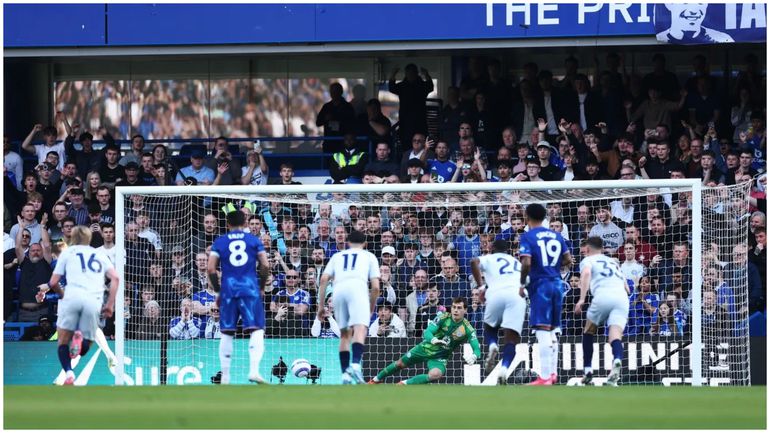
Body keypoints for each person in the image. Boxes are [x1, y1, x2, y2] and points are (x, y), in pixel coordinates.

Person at [35, 226, 119, 386]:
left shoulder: (68, 255)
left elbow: (53, 282)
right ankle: (109, 356)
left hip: (72, 299)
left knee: (65, 341)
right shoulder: (99, 254)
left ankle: (65, 375)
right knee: (89, 335)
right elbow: (115, 278)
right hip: (93, 299)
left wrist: (53, 291)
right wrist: (110, 304)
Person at [207, 210, 270, 384]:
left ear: (227, 224)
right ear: (245, 223)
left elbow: (211, 269)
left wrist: (219, 291)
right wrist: (262, 286)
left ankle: (225, 377)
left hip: (228, 289)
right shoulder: (253, 240)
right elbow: (265, 265)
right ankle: (254, 371)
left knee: (226, 331)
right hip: (249, 288)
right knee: (256, 328)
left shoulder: (219, 242)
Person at [519, 203, 573, 385]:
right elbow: (568, 260)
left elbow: (526, 263)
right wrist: (552, 267)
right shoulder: (557, 236)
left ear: (527, 217)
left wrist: (521, 283)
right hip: (557, 284)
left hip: (540, 285)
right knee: (553, 330)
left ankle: (543, 376)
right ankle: (553, 374)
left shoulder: (527, 236)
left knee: (542, 330)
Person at [317, 230, 380, 384]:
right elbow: (376, 287)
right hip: (357, 289)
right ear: (365, 244)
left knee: (344, 334)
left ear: (347, 243)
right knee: (360, 328)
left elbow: (324, 279)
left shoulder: (337, 256)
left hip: (338, 291)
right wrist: (371, 305)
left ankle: (345, 373)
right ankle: (356, 365)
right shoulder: (369, 256)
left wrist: (320, 306)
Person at [368, 297, 480, 385]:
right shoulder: (443, 317)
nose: (455, 310)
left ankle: (404, 384)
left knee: (436, 374)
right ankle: (376, 380)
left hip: (440, 357)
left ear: (465, 310)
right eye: (454, 307)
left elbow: (476, 347)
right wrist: (434, 340)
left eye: (459, 308)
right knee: (400, 364)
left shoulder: (467, 328)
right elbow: (427, 332)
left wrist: (474, 356)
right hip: (425, 348)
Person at [574, 237, 630, 387]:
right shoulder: (613, 261)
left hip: (603, 296)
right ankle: (617, 359)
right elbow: (628, 288)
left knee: (588, 331)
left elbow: (586, 274)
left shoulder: (588, 261)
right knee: (615, 335)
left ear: (588, 249)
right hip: (622, 299)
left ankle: (587, 371)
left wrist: (582, 299)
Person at [471, 239, 526, 385]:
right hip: (517, 296)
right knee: (511, 340)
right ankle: (504, 369)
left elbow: (473, 262)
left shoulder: (489, 258)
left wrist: (481, 288)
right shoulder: (517, 263)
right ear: (507, 250)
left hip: (496, 293)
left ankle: (492, 344)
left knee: (490, 326)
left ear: (492, 248)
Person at [656, 4, 734, 44]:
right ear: (669, 4)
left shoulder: (723, 39)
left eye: (700, 3)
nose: (694, 11)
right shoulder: (660, 38)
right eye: (685, 3)